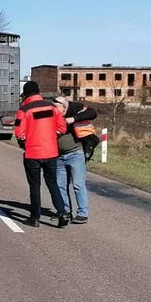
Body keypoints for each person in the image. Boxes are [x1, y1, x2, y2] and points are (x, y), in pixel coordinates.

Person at [14, 81, 70, 227]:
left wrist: (25, 141)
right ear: (38, 91)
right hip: (51, 152)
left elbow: (19, 133)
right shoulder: (51, 107)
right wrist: (53, 136)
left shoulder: (24, 109)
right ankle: (62, 212)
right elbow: (62, 128)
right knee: (52, 183)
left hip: (33, 153)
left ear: (25, 94)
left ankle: (35, 217)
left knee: (35, 186)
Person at [53, 96, 97, 224]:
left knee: (78, 184)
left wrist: (73, 119)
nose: (54, 111)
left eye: (57, 109)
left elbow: (92, 113)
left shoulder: (75, 109)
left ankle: (82, 213)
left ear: (64, 107)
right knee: (60, 185)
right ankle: (65, 211)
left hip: (75, 154)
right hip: (58, 156)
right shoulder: (52, 114)